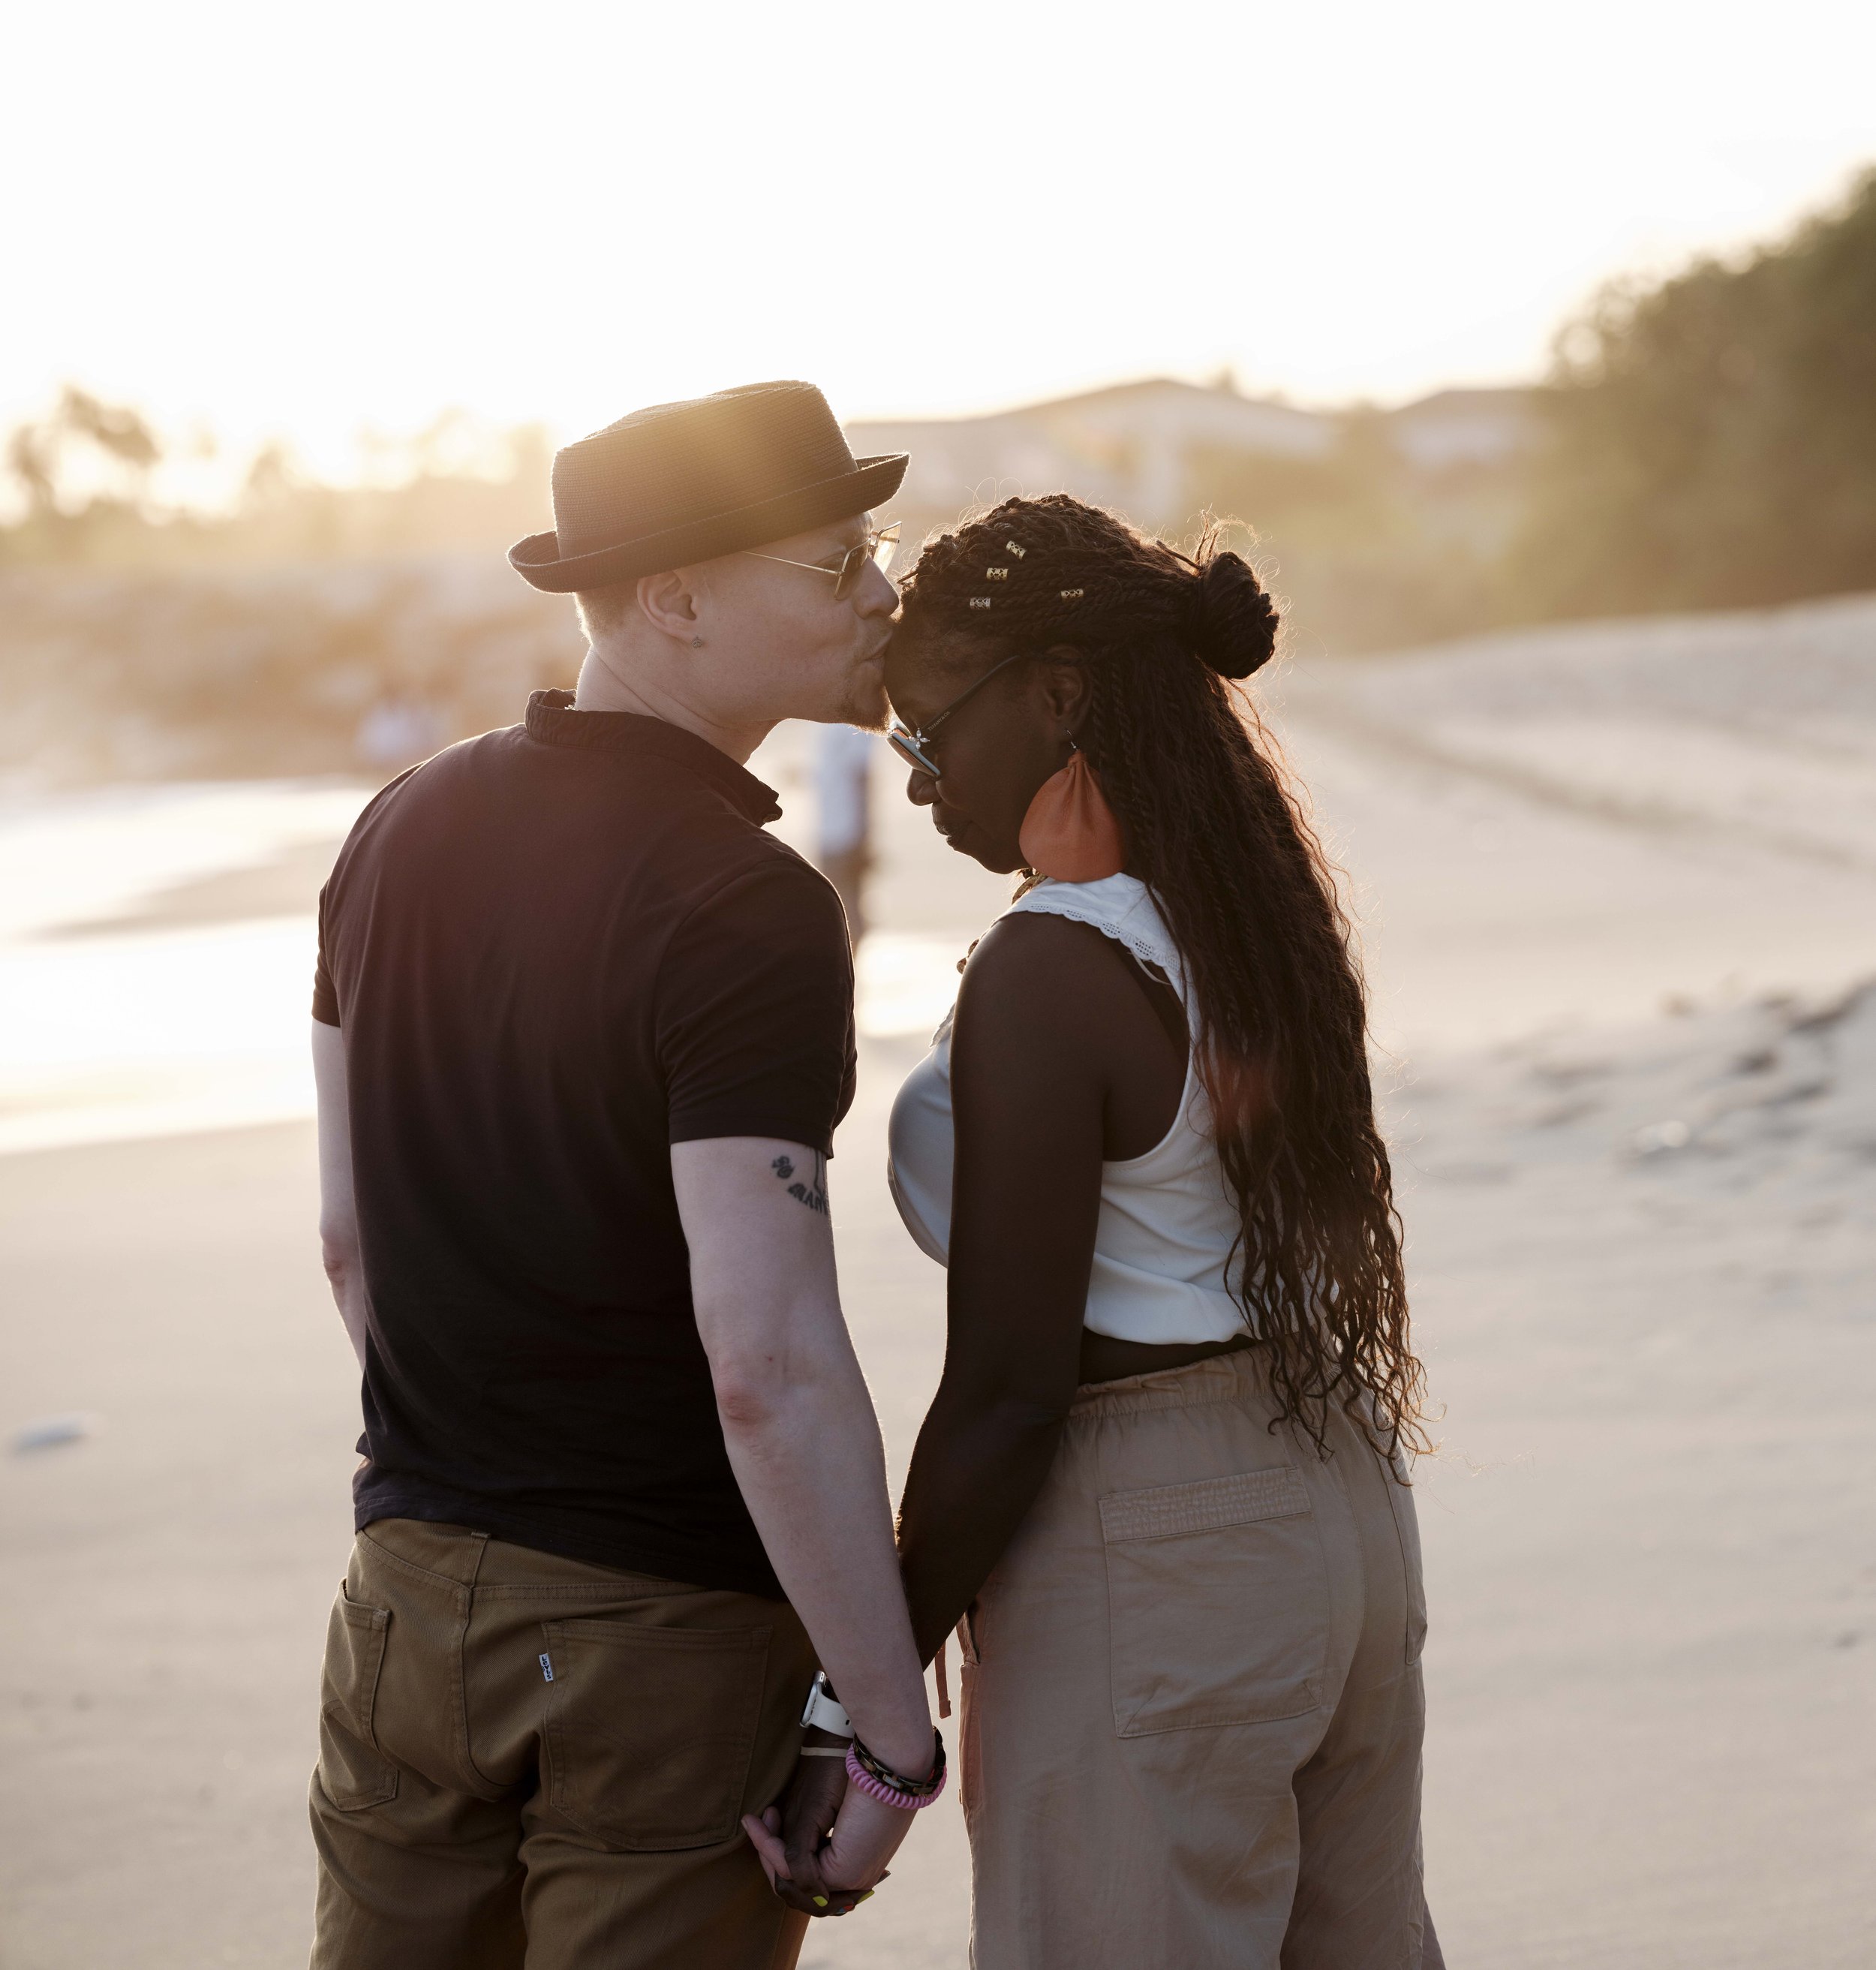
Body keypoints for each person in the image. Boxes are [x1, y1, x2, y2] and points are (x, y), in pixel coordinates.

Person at [308, 380, 942, 1970]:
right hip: (658, 1628)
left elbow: (347, 1241)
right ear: (675, 598)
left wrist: (472, 1472)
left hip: (403, 1592)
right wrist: (888, 1734)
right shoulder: (746, 904)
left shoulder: (394, 829)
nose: (882, 589)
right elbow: (765, 1362)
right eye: (838, 561)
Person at [882, 493, 1442, 1970]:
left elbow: (1008, 1387)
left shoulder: (1053, 968)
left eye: (927, 731)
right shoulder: (1245, 914)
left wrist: (862, 1681)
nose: (916, 780)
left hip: (1155, 1535)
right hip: (1336, 1495)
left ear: (1058, 694)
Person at [813, 722, 876, 940]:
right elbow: (858, 779)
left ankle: (851, 960)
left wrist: (864, 835)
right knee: (844, 908)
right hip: (839, 832)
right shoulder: (845, 728)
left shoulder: (841, 727)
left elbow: (860, 780)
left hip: (839, 833)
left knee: (842, 908)